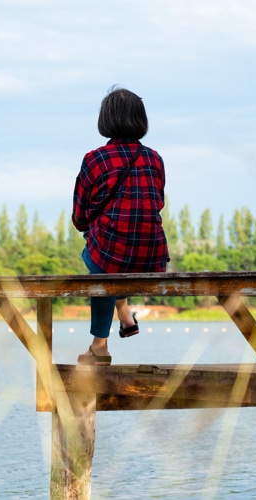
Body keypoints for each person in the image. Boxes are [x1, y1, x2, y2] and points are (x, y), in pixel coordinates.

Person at [72, 87, 169, 366]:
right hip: (152, 254)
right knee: (113, 255)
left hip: (112, 253)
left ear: (106, 119)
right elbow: (158, 202)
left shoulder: (95, 159)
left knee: (97, 259)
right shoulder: (155, 158)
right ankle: (125, 314)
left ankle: (100, 346)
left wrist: (88, 225)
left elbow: (79, 215)